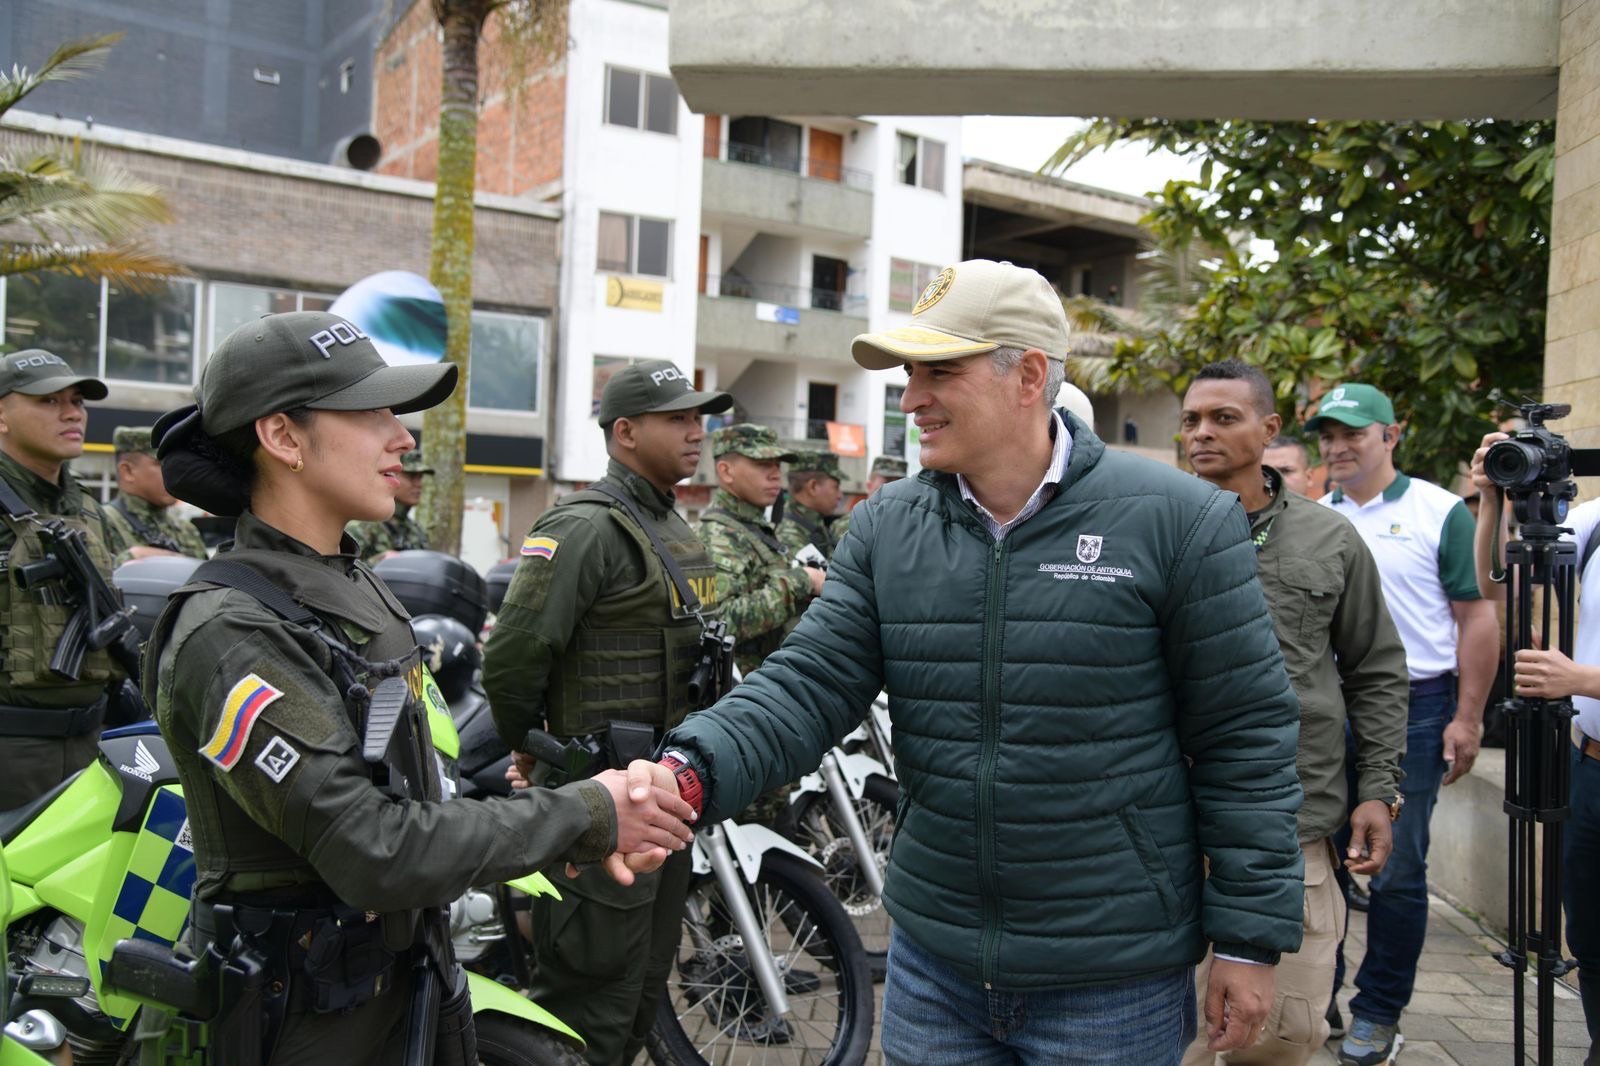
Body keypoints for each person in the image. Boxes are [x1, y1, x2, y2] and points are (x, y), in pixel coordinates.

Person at [651, 260, 1306, 1064]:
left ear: (1028, 374)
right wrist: (687, 770)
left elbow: (1246, 740)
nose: (911, 397)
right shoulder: (889, 524)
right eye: (908, 373)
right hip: (937, 967)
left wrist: (1247, 940)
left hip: (1112, 975)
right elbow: (807, 684)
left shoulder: (1181, 521)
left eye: (939, 370)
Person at [145, 311, 694, 1065]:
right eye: (370, 413)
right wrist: (582, 814)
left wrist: (558, 828)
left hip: (402, 983)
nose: (402, 437)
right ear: (282, 437)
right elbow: (371, 845)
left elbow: (420, 799)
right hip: (304, 1019)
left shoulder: (347, 585)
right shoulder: (230, 631)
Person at [481, 358, 732, 1066]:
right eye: (679, 418)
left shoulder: (671, 524)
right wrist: (534, 753)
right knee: (588, 1002)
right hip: (599, 801)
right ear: (625, 431)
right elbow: (513, 660)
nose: (697, 431)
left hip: (663, 799)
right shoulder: (586, 528)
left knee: (641, 994)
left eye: (699, 417)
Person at [1179, 361, 1409, 1065]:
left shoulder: (1330, 540)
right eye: (1191, 420)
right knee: (1171, 1040)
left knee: (1281, 1037)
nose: (1202, 433)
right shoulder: (1150, 526)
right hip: (1166, 828)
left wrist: (1377, 789)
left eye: (1224, 417)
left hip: (1294, 828)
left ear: (1269, 429)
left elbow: (1375, 669)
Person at [1307, 383, 1497, 1065]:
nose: (1337, 447)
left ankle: (1378, 1012)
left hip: (1416, 710)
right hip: (1327, 709)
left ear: (1392, 435)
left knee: (1397, 868)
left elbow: (1476, 616)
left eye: (1353, 433)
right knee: (1319, 860)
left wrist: (1467, 717)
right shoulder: (1312, 516)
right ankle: (1315, 1001)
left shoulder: (1438, 512)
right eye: (1327, 435)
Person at [1470, 429, 1600, 1066]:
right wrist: (1495, 499)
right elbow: (1496, 583)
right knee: (1590, 934)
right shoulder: (1594, 523)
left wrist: (1582, 681)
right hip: (1590, 766)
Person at [0, 349, 127, 808]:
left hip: (90, 745)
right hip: (12, 750)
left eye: (77, 400)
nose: (72, 412)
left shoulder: (89, 510)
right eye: (48, 401)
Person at [698, 423, 824, 676]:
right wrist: (802, 581)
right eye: (763, 464)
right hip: (741, 692)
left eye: (777, 465)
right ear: (726, 471)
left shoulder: (753, 528)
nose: (776, 474)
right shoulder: (718, 535)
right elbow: (719, 622)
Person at [103, 425, 209, 564]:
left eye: (176, 464)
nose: (174, 472)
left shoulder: (186, 530)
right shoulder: (101, 523)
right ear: (127, 471)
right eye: (161, 464)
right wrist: (128, 561)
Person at [347, 447, 430, 561]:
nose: (418, 484)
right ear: (390, 475)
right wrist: (382, 562)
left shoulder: (417, 532)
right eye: (411, 476)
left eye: (420, 477)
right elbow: (341, 571)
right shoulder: (362, 526)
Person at [776, 448, 845, 560]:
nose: (840, 495)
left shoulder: (812, 524)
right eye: (836, 487)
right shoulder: (788, 534)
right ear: (813, 487)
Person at [832, 454, 906, 542]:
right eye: (888, 481)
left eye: (900, 482)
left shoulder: (911, 526)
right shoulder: (845, 526)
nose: (894, 488)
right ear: (869, 485)